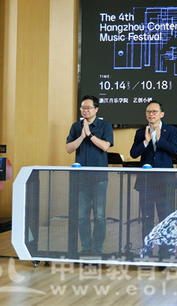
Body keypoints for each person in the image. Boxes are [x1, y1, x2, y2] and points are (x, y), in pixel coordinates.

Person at [130, 100, 177, 259]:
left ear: (161, 114)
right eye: (148, 112)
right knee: (147, 218)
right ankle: (147, 250)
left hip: (165, 182)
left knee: (166, 218)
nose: (151, 114)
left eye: (154, 111)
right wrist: (145, 142)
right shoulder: (140, 132)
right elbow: (133, 154)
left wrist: (159, 139)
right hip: (146, 182)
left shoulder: (170, 130)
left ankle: (166, 252)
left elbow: (174, 149)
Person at [66, 95, 113, 255]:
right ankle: (86, 248)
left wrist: (90, 135)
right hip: (81, 179)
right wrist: (82, 136)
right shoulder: (75, 127)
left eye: (88, 108)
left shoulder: (105, 125)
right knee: (82, 216)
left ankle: (97, 248)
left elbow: (105, 146)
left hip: (99, 178)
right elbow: (69, 148)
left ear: (96, 109)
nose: (85, 110)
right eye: (83, 108)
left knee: (99, 216)